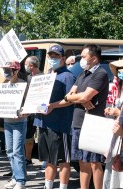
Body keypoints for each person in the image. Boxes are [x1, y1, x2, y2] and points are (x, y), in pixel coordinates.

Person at [64, 44, 109, 189]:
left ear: (94, 59)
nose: (81, 60)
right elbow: (68, 96)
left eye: (84, 57)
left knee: (95, 163)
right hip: (77, 123)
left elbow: (84, 96)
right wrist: (78, 98)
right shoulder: (82, 74)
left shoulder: (100, 73)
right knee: (82, 162)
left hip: (93, 123)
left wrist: (78, 98)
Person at [34, 45, 76, 189]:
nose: (53, 59)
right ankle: (48, 186)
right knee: (48, 160)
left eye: (56, 56)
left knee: (63, 160)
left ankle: (63, 187)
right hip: (44, 123)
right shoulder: (46, 76)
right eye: (51, 56)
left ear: (63, 59)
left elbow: (70, 99)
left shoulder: (68, 76)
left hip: (60, 125)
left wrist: (53, 105)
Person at [2, 61, 27, 189]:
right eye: (5, 70)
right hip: (7, 121)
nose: (6, 72)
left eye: (9, 70)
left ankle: (21, 181)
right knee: (10, 151)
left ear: (16, 71)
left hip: (19, 122)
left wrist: (23, 111)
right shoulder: (4, 85)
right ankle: (15, 177)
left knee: (17, 151)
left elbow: (29, 103)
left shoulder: (23, 84)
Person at [102, 60, 123, 189]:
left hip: (121, 134)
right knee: (113, 172)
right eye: (119, 70)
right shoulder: (119, 89)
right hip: (117, 136)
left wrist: (118, 112)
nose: (120, 72)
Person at [24, 56, 41, 165]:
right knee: (28, 136)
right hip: (28, 111)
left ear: (31, 66)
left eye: (26, 64)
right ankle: (27, 158)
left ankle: (29, 158)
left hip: (40, 111)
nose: (25, 66)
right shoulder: (28, 77)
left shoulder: (43, 77)